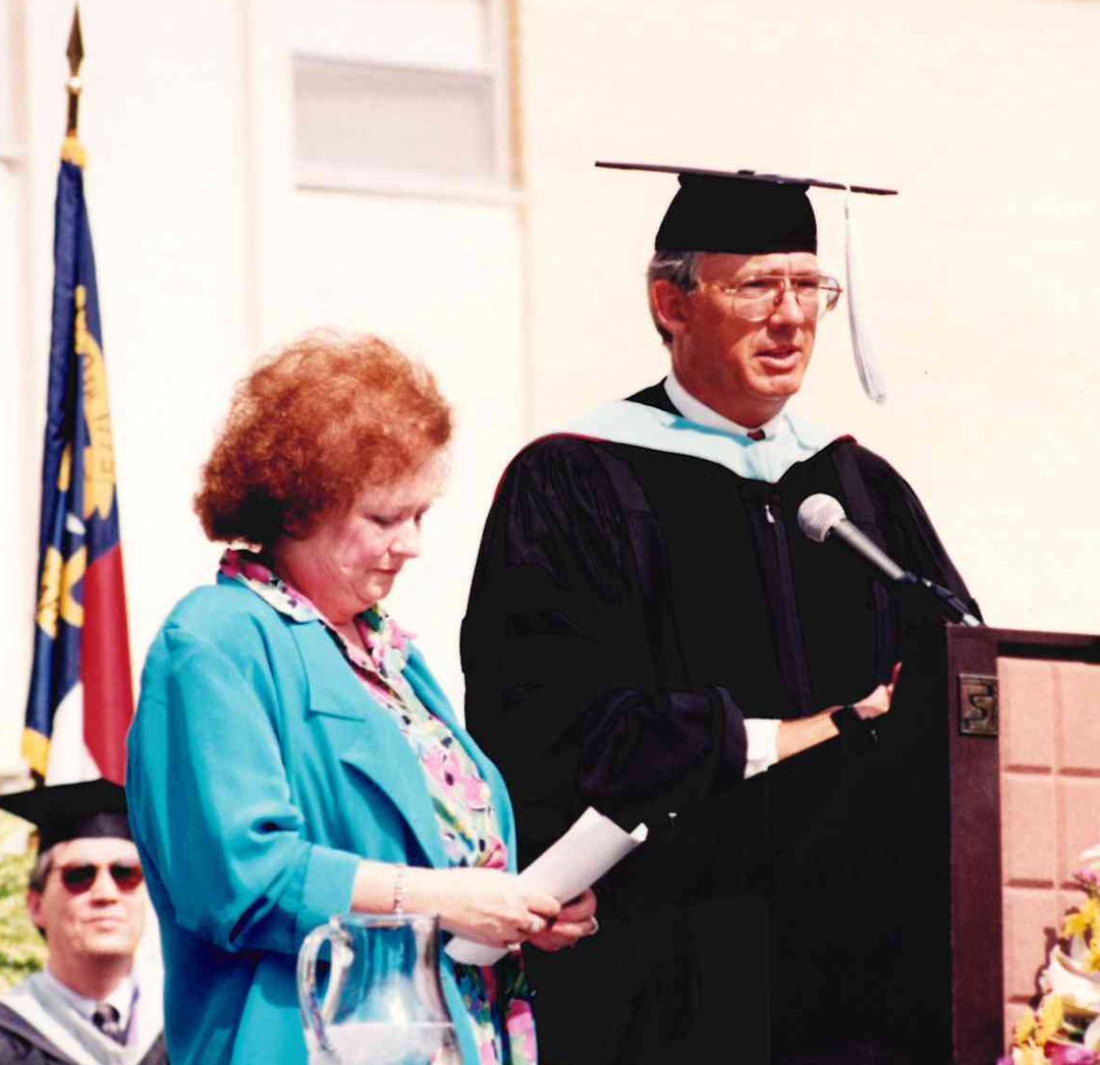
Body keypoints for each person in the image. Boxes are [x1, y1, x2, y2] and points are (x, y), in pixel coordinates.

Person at [461, 167, 979, 1064]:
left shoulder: (860, 489)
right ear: (672, 303)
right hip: (662, 969)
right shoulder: (574, 481)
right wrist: (791, 736)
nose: (792, 316)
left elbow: (962, 684)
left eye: (810, 286)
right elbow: (538, 722)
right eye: (756, 286)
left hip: (862, 980)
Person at [125, 332, 597, 1065]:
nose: (410, 544)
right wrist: (446, 898)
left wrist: (519, 908)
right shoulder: (218, 638)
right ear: (293, 509)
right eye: (383, 518)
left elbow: (441, 850)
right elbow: (242, 878)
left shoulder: (391, 655)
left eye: (420, 516)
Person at [0, 779, 167, 1065]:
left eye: (126, 874)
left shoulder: (188, 1027)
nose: (105, 893)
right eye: (79, 875)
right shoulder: (9, 1037)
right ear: (36, 905)